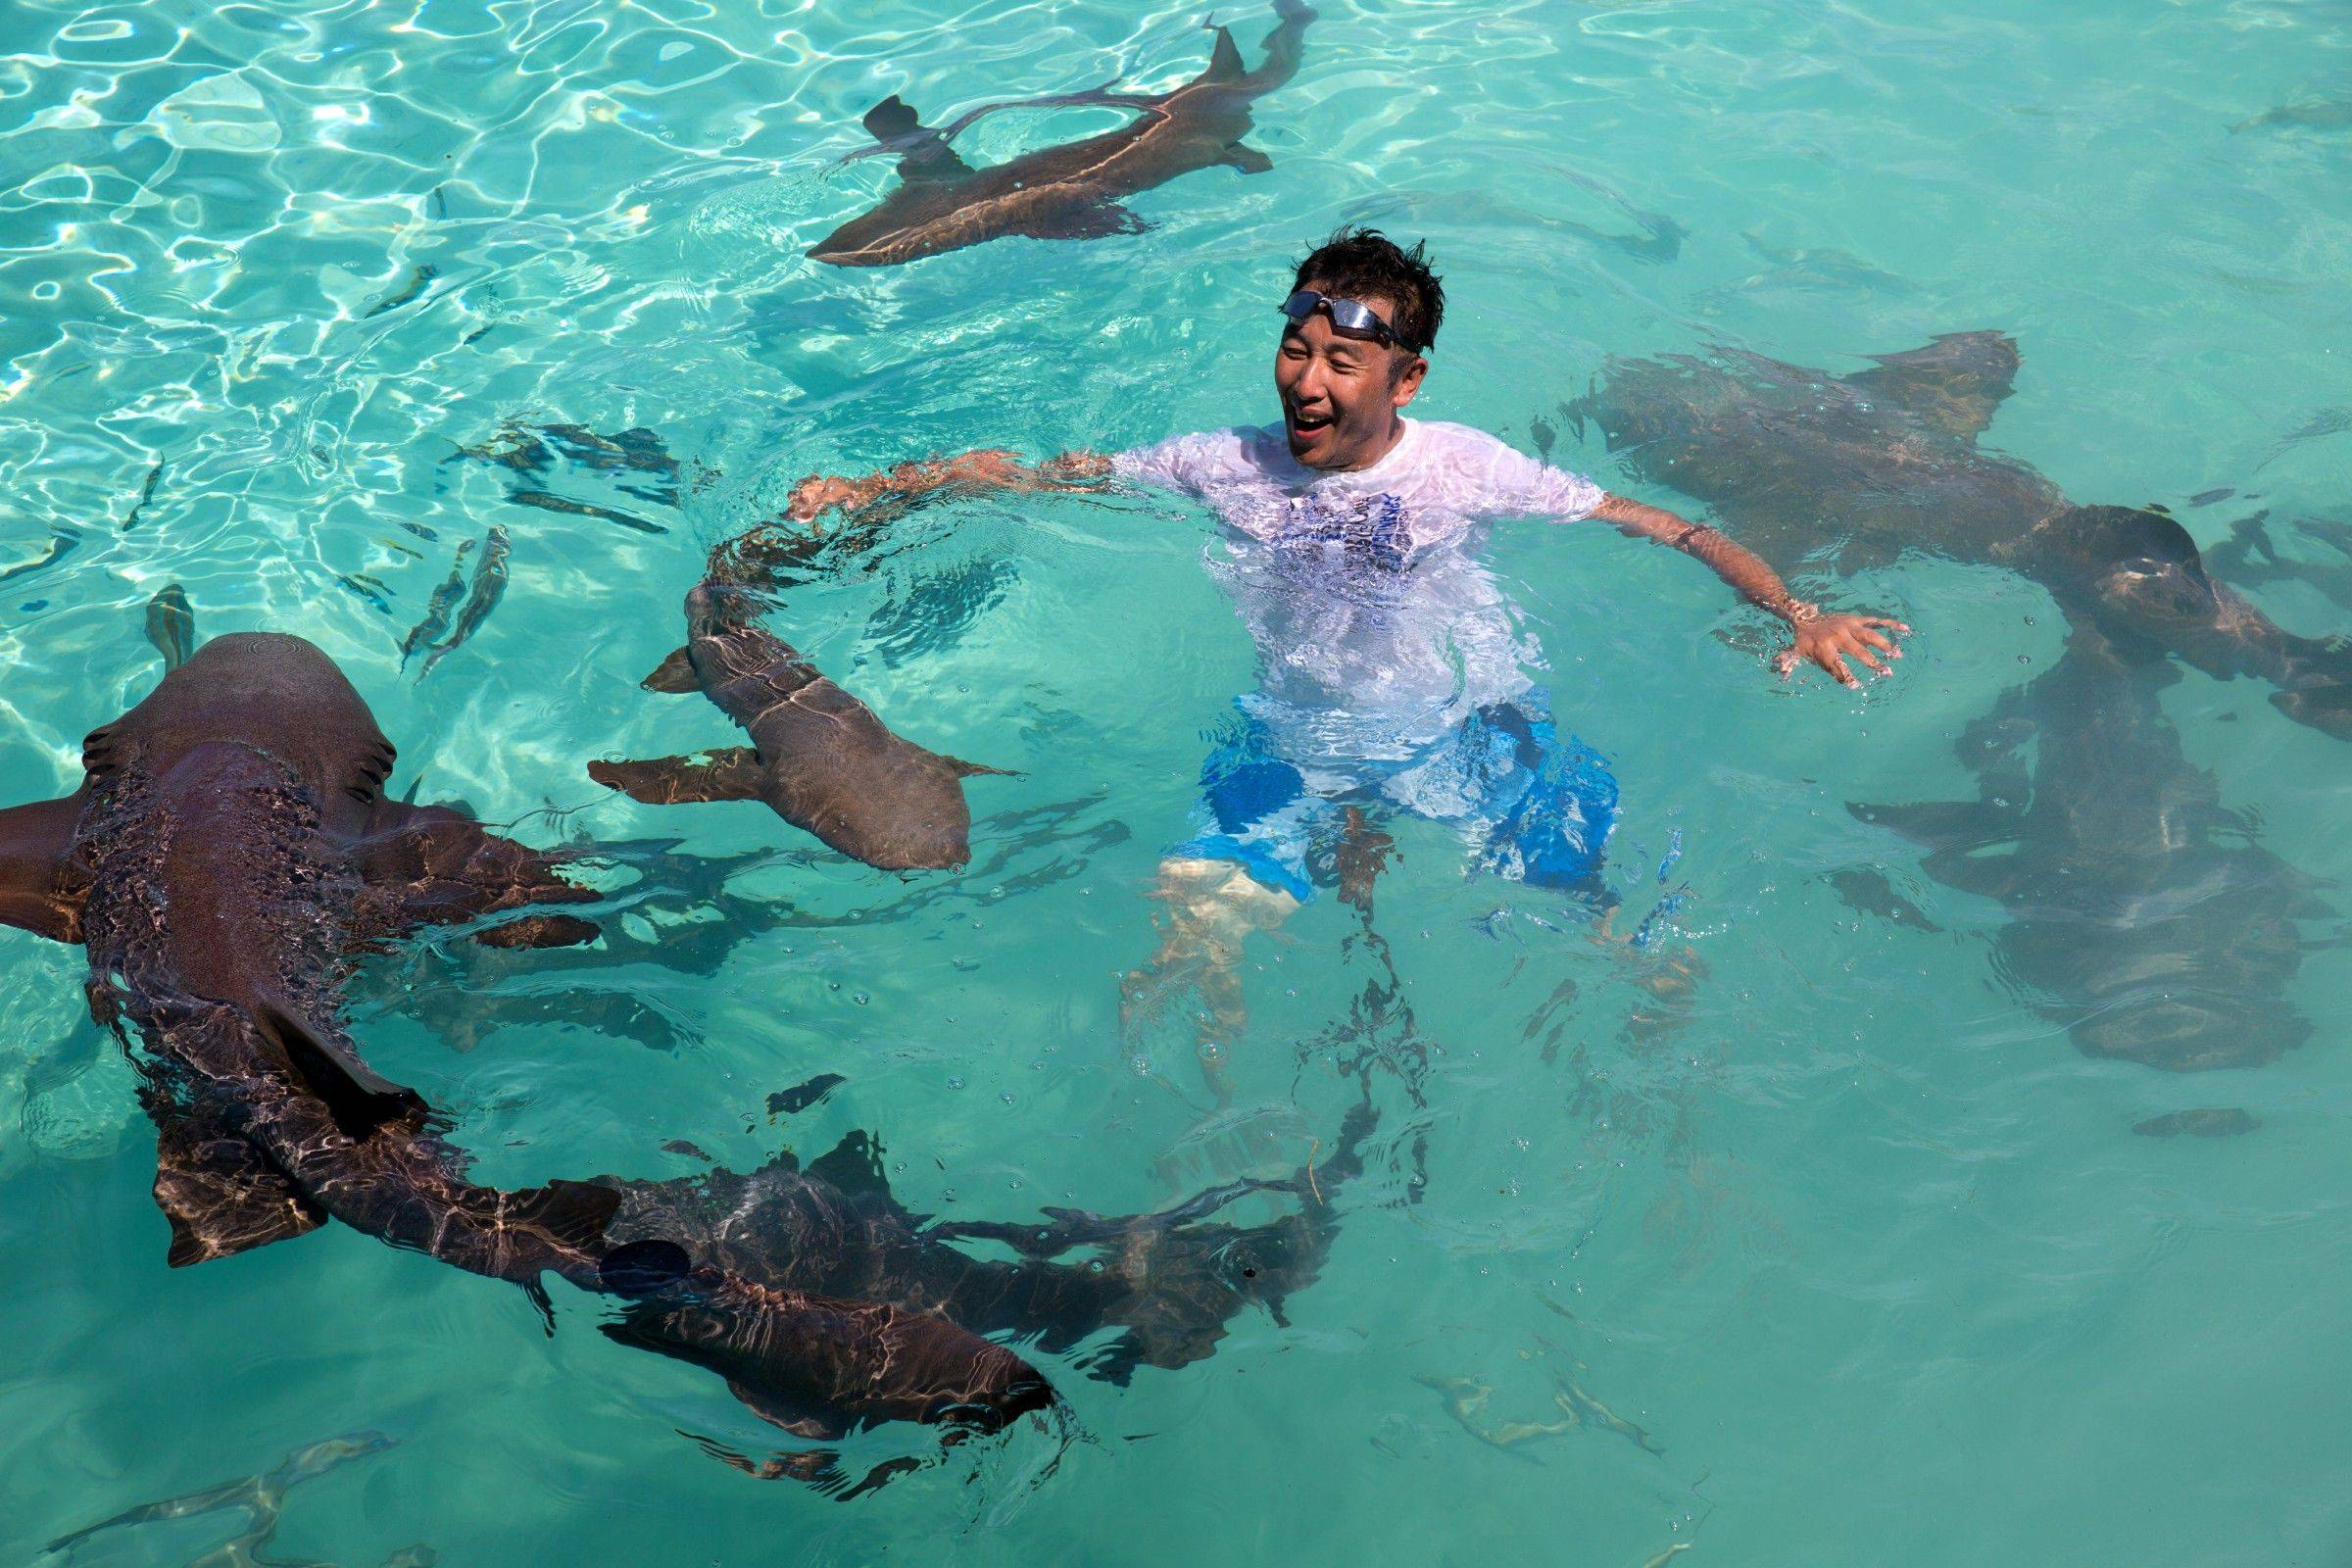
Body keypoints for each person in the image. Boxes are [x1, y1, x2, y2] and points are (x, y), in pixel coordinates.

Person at [788, 228, 1908, 1093]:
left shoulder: (1464, 467)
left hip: (1467, 730)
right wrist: (880, 490)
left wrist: (1795, 610)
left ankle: (1680, 1094)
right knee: (1183, 951)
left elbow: (1665, 524)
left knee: (1619, 942)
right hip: (1295, 739)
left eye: (1342, 360)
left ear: (1405, 380)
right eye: (1295, 347)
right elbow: (1047, 474)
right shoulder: (1218, 463)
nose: (1307, 381)